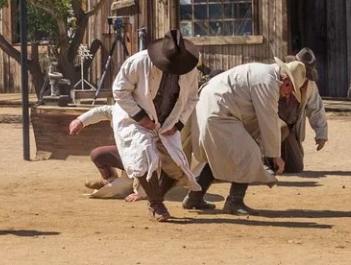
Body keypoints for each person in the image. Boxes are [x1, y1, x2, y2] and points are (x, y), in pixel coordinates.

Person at [187, 58, 307, 215]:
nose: (288, 95)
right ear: (286, 82)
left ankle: (194, 197)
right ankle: (234, 201)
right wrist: (275, 156)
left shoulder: (266, 75)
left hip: (216, 107)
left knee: (222, 154)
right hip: (219, 110)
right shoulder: (267, 82)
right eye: (290, 90)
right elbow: (268, 119)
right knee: (249, 153)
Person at [112, 29, 201, 222]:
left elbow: (192, 98)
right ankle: (157, 203)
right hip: (133, 118)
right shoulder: (138, 62)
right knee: (143, 153)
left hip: (168, 120)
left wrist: (177, 124)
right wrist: (141, 117)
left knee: (178, 167)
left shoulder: (190, 69)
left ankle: (154, 196)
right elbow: (119, 91)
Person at [278, 49, 328, 173]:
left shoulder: (309, 85)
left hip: (289, 130)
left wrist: (321, 133)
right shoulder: (279, 76)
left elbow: (316, 107)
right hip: (270, 125)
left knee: (296, 167)